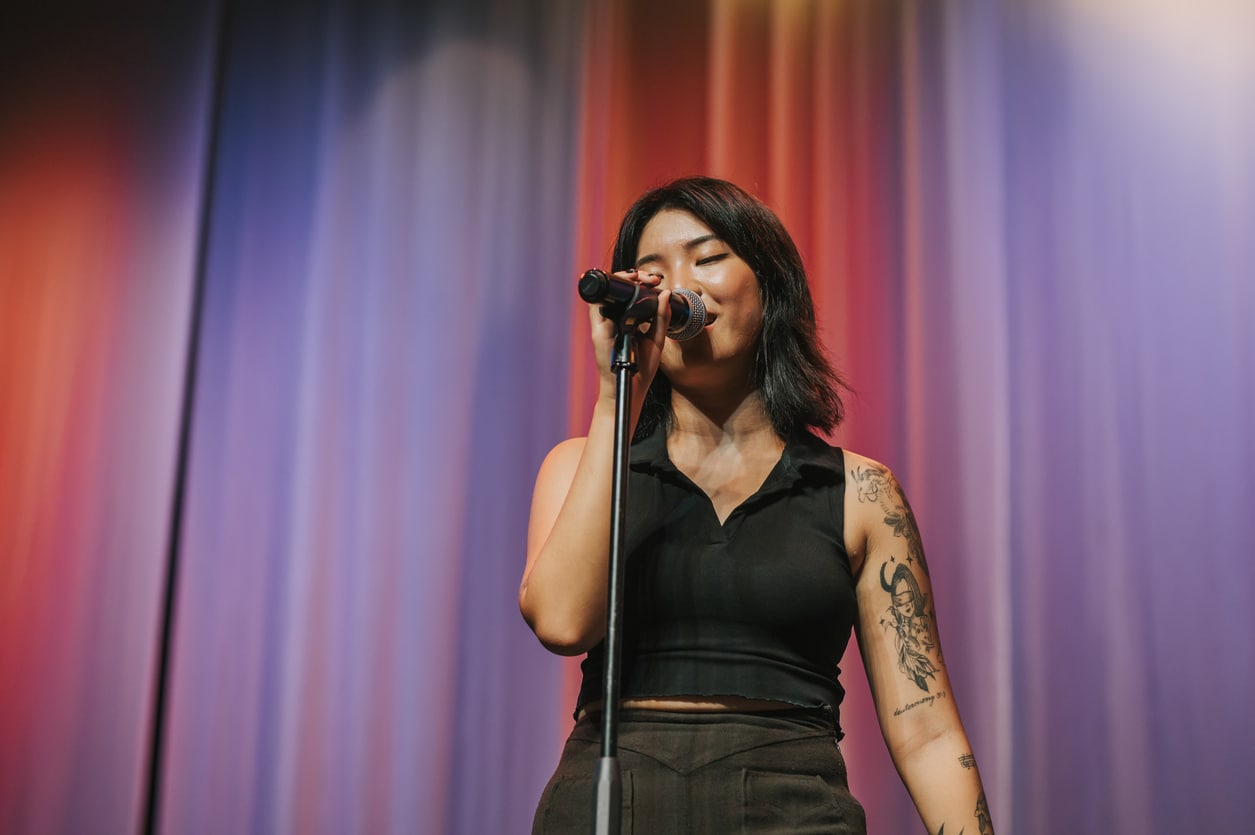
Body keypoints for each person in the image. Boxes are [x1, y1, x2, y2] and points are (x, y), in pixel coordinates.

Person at [520, 176, 992, 834]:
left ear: (770, 285)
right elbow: (562, 623)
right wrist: (615, 397)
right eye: (653, 273)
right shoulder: (581, 465)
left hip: (791, 804)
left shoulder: (859, 492)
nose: (678, 288)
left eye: (707, 258)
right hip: (613, 798)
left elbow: (926, 732)